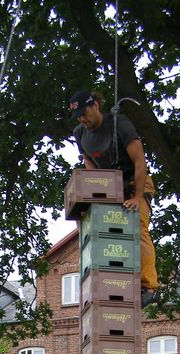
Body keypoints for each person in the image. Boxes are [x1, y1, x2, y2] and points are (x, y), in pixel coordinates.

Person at [69, 90, 159, 307]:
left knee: (136, 226)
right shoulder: (80, 134)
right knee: (106, 232)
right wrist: (96, 188)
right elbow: (88, 161)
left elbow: (140, 162)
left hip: (135, 182)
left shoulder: (119, 124)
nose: (83, 118)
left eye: (85, 112)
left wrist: (137, 197)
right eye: (78, 115)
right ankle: (114, 284)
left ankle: (149, 287)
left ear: (96, 105)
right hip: (111, 187)